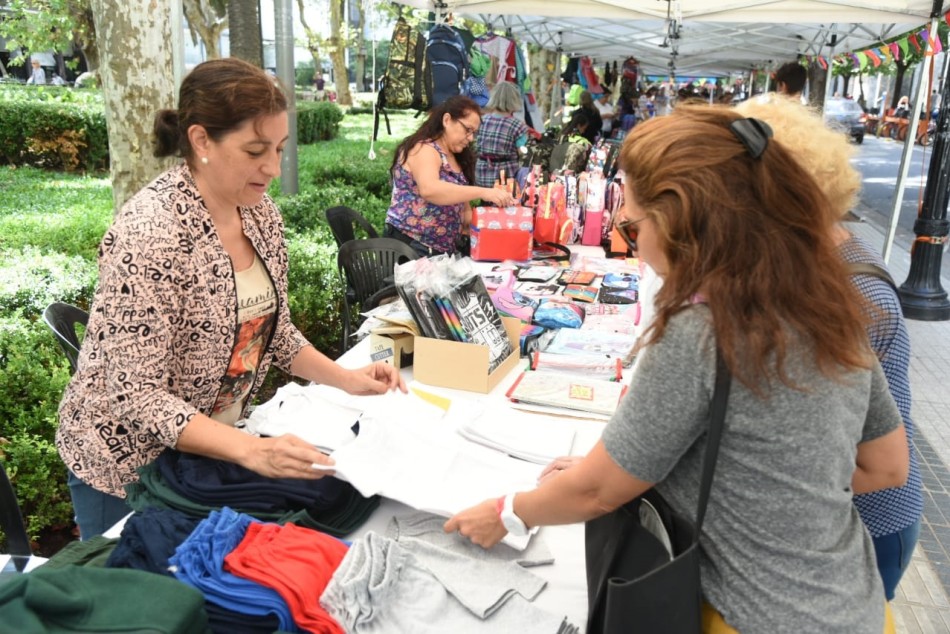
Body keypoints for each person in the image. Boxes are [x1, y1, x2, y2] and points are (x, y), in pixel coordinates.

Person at [446, 104, 908, 633]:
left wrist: (506, 512)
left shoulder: (704, 331)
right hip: (859, 607)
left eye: (632, 223)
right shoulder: (829, 301)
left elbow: (598, 491)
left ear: (681, 219)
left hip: (753, 618)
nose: (632, 240)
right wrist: (775, 493)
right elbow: (885, 466)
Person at [55, 58, 406, 540]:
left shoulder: (259, 216)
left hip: (206, 451)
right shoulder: (151, 233)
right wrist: (251, 452)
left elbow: (272, 333)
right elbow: (135, 394)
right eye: (256, 150)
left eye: (280, 149)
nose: (273, 168)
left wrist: (348, 379)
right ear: (201, 141)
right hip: (124, 463)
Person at [737, 95, 923, 602]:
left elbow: (885, 466)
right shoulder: (807, 264)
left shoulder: (856, 295)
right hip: (830, 518)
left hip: (868, 525)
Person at [384, 95, 515, 257]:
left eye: (474, 133)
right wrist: (484, 192)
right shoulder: (423, 148)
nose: (471, 138)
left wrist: (504, 222)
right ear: (447, 120)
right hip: (412, 247)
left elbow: (464, 209)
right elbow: (430, 189)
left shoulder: (455, 156)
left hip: (442, 251)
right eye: (467, 130)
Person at [474, 81, 529, 188]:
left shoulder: (482, 120)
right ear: (515, 100)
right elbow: (522, 151)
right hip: (505, 177)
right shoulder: (517, 125)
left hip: (481, 173)